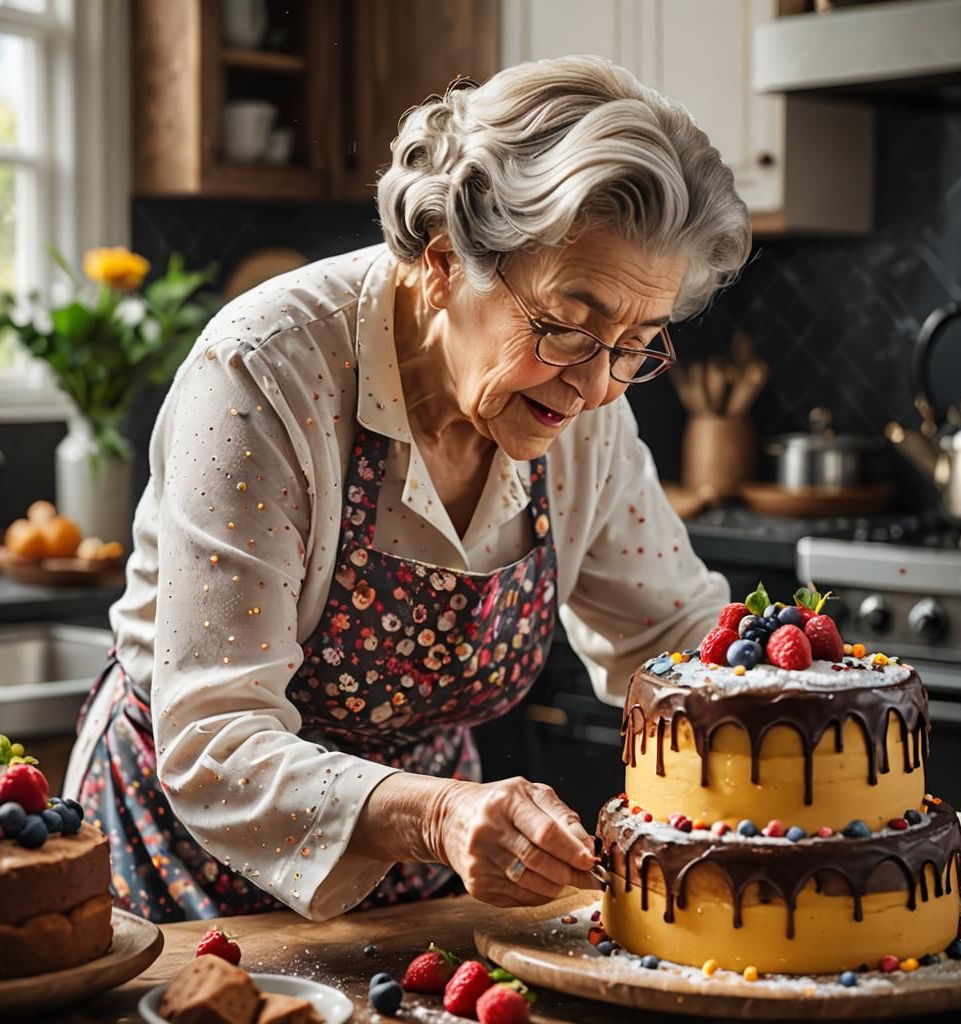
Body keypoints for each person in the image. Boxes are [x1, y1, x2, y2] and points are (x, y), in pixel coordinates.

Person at [64, 54, 751, 923]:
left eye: (638, 341)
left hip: (423, 882)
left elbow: (676, 640)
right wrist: (438, 812)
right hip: (181, 866)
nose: (599, 387)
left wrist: (820, 728)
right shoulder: (265, 370)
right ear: (440, 264)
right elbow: (215, 738)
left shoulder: (583, 400)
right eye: (566, 327)